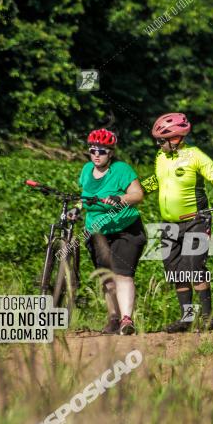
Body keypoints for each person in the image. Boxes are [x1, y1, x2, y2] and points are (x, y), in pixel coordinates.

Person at [151, 112, 213, 333]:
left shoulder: (195, 156)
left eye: (162, 140)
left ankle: (208, 317)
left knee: (194, 266)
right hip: (169, 223)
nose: (159, 144)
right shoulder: (160, 158)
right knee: (175, 271)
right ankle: (187, 319)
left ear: (176, 139)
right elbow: (157, 181)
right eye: (158, 140)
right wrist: (133, 192)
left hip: (196, 220)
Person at [76, 128, 146, 335]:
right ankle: (113, 318)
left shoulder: (122, 170)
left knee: (123, 274)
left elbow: (138, 194)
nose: (97, 154)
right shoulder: (86, 170)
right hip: (97, 232)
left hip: (126, 230)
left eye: (102, 151)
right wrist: (76, 209)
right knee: (107, 277)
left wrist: (120, 199)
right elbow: (85, 197)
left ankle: (126, 320)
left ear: (111, 153)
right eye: (93, 150)